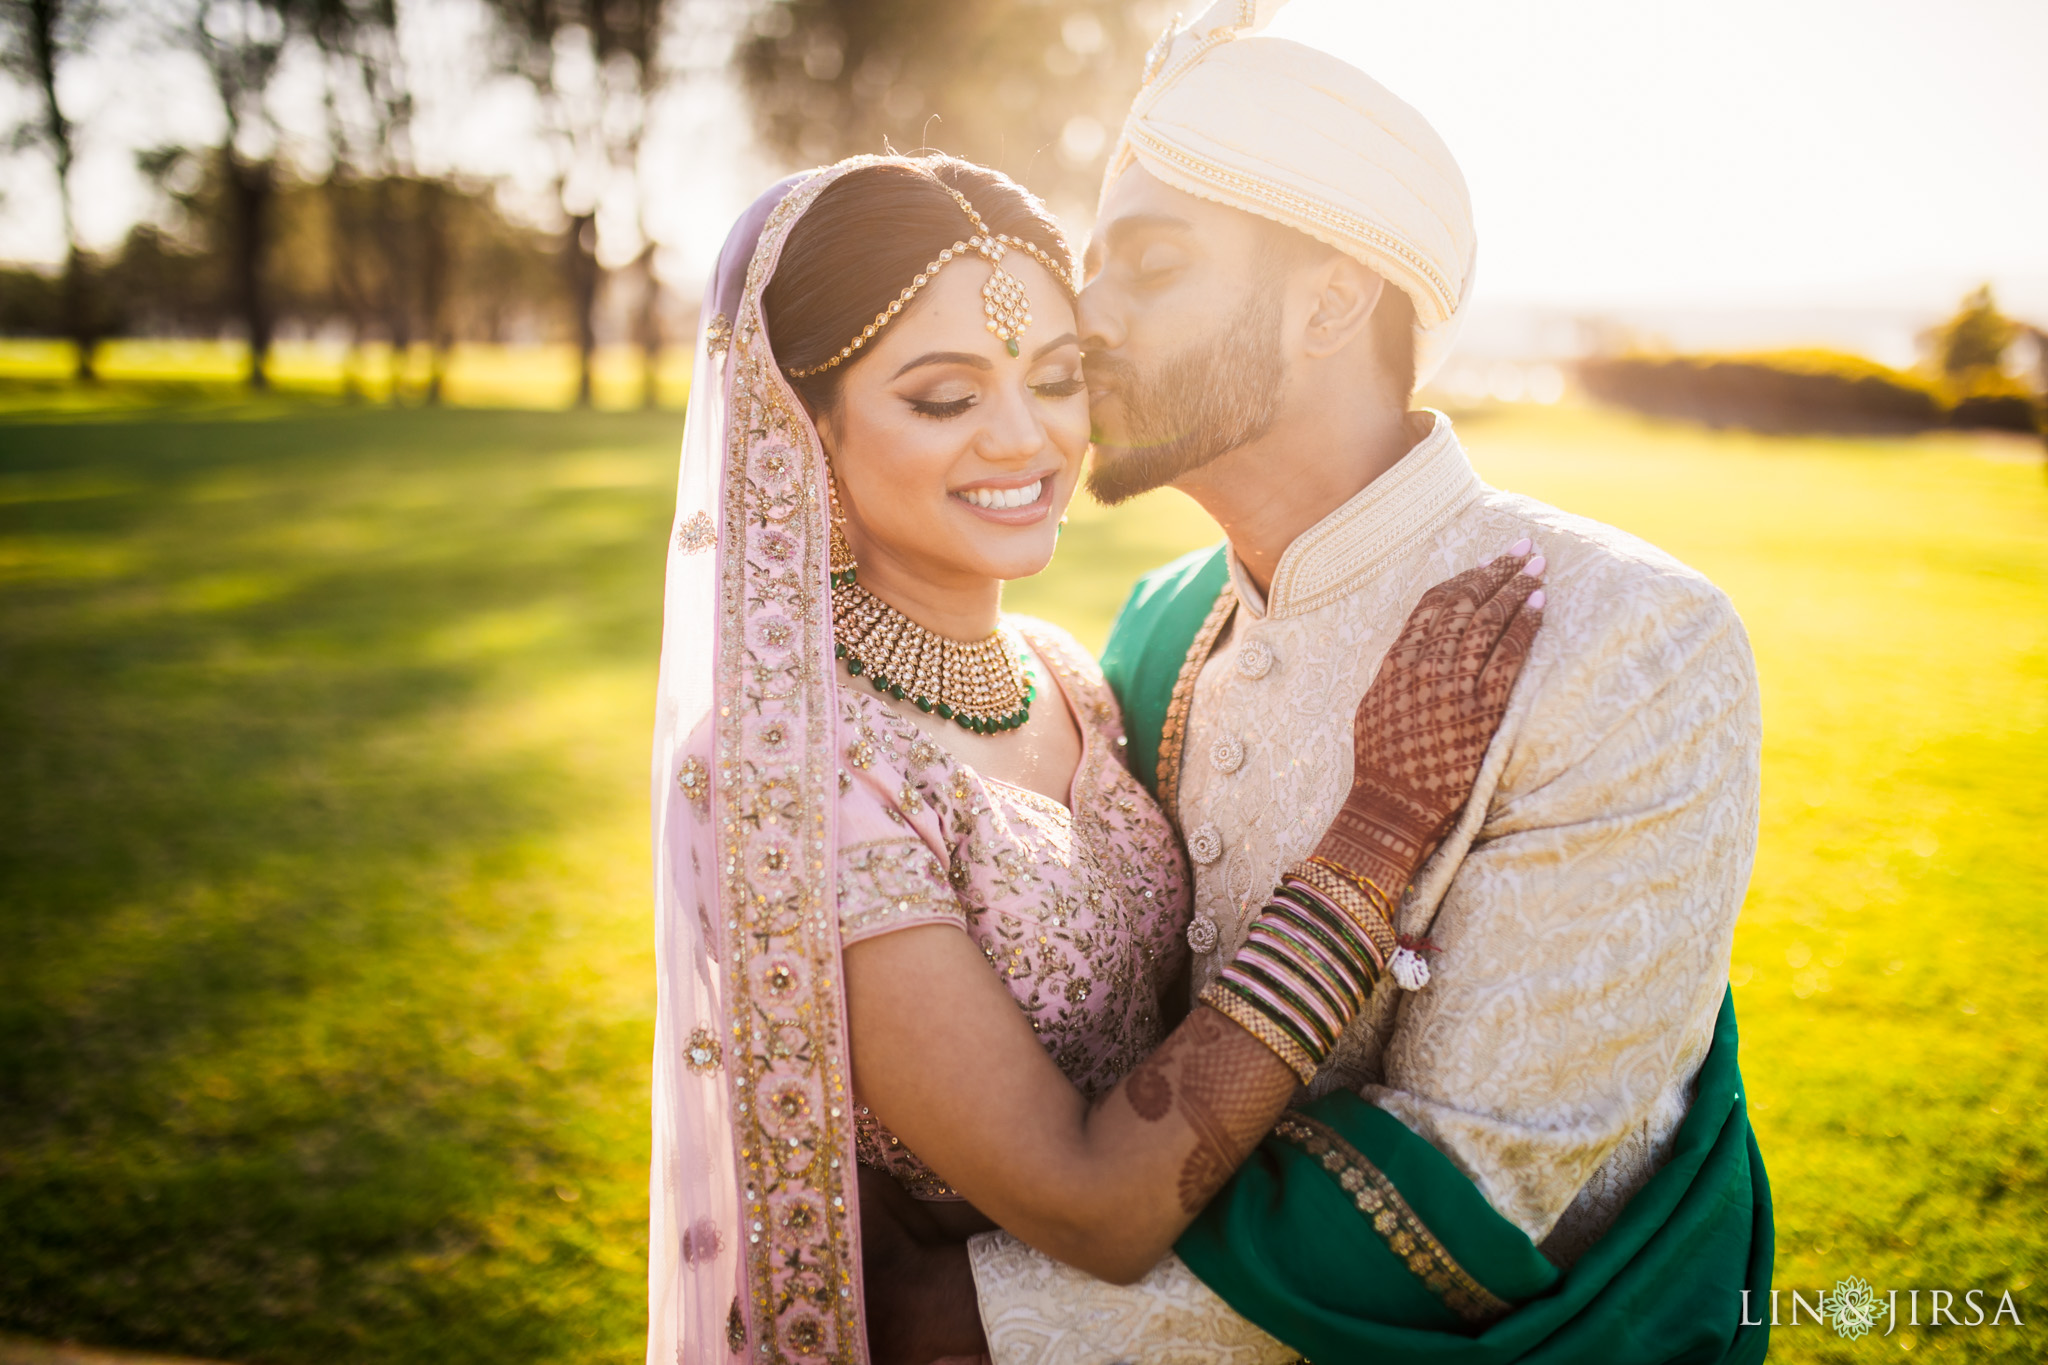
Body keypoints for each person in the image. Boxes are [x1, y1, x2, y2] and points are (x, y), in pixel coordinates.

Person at [866, 3, 1774, 1362]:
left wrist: (981, 1317)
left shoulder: (1626, 640)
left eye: (1149, 268)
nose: (1083, 322)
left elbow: (1478, 1187)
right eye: (1087, 270)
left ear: (1332, 298)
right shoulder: (1158, 629)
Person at [647, 149, 1545, 1365]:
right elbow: (1089, 1205)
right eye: (943, 397)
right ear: (800, 429)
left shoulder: (1070, 675)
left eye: (1056, 378)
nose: (1027, 441)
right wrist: (1375, 843)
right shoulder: (793, 770)